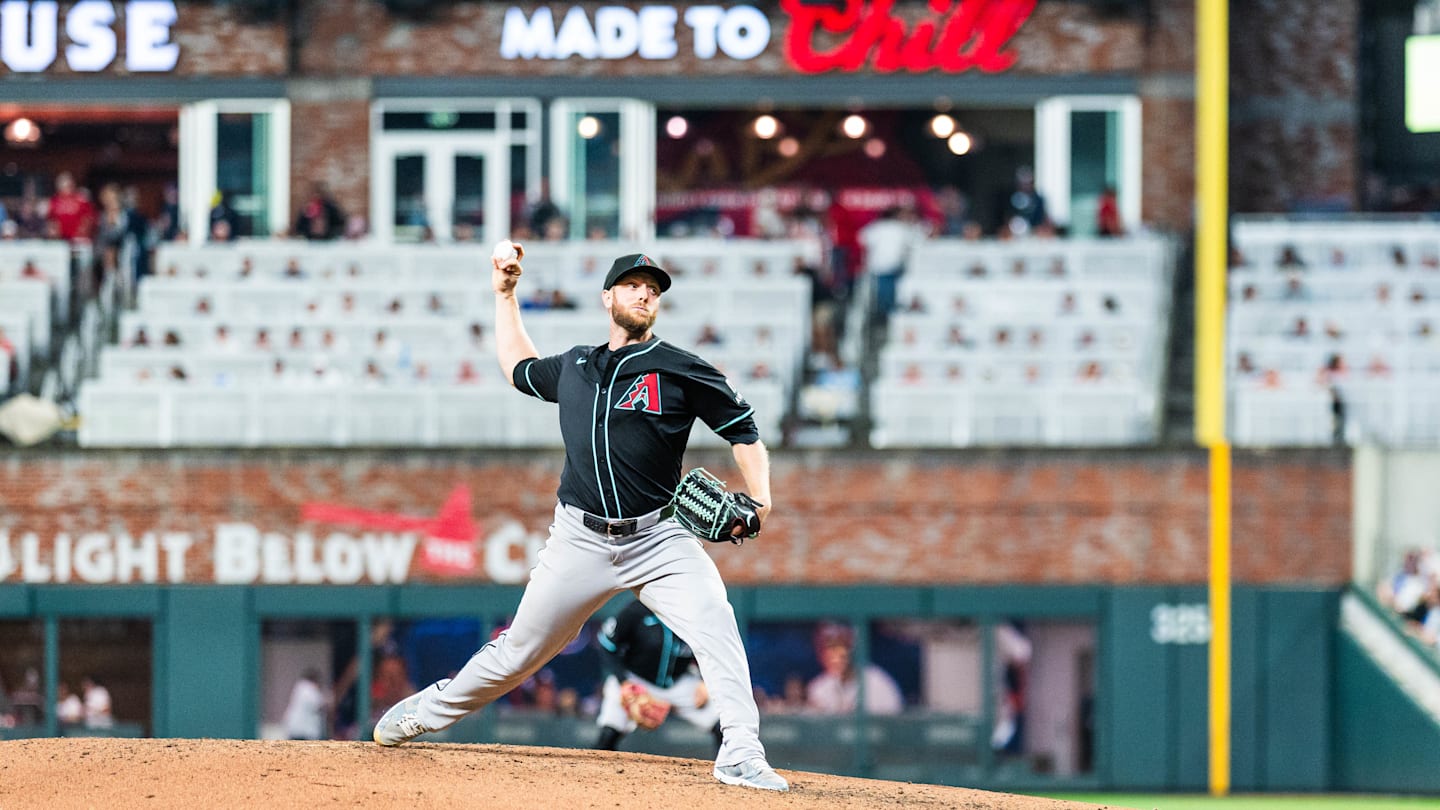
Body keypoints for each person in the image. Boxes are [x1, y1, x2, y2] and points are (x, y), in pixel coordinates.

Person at [372, 249, 788, 792]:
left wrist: (761, 500)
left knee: (717, 624)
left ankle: (740, 751)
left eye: (653, 289)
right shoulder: (574, 367)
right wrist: (504, 295)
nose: (644, 294)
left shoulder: (681, 368)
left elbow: (745, 433)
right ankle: (428, 711)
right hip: (579, 540)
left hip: (660, 537)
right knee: (516, 654)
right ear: (607, 297)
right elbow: (518, 367)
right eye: (633, 285)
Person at [593, 598, 722, 755]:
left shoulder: (696, 615)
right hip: (635, 680)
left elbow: (712, 653)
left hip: (679, 682)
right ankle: (598, 778)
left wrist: (705, 682)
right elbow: (608, 646)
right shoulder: (637, 610)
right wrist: (623, 681)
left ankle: (728, 772)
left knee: (724, 725)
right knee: (608, 734)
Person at [804, 623, 903, 716]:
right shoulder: (818, 688)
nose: (835, 656)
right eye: (829, 647)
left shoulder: (878, 683)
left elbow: (893, 727)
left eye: (841, 647)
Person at [282, 668, 330, 741]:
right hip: (302, 731)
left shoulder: (300, 687)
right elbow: (319, 705)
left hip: (295, 728)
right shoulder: (307, 688)